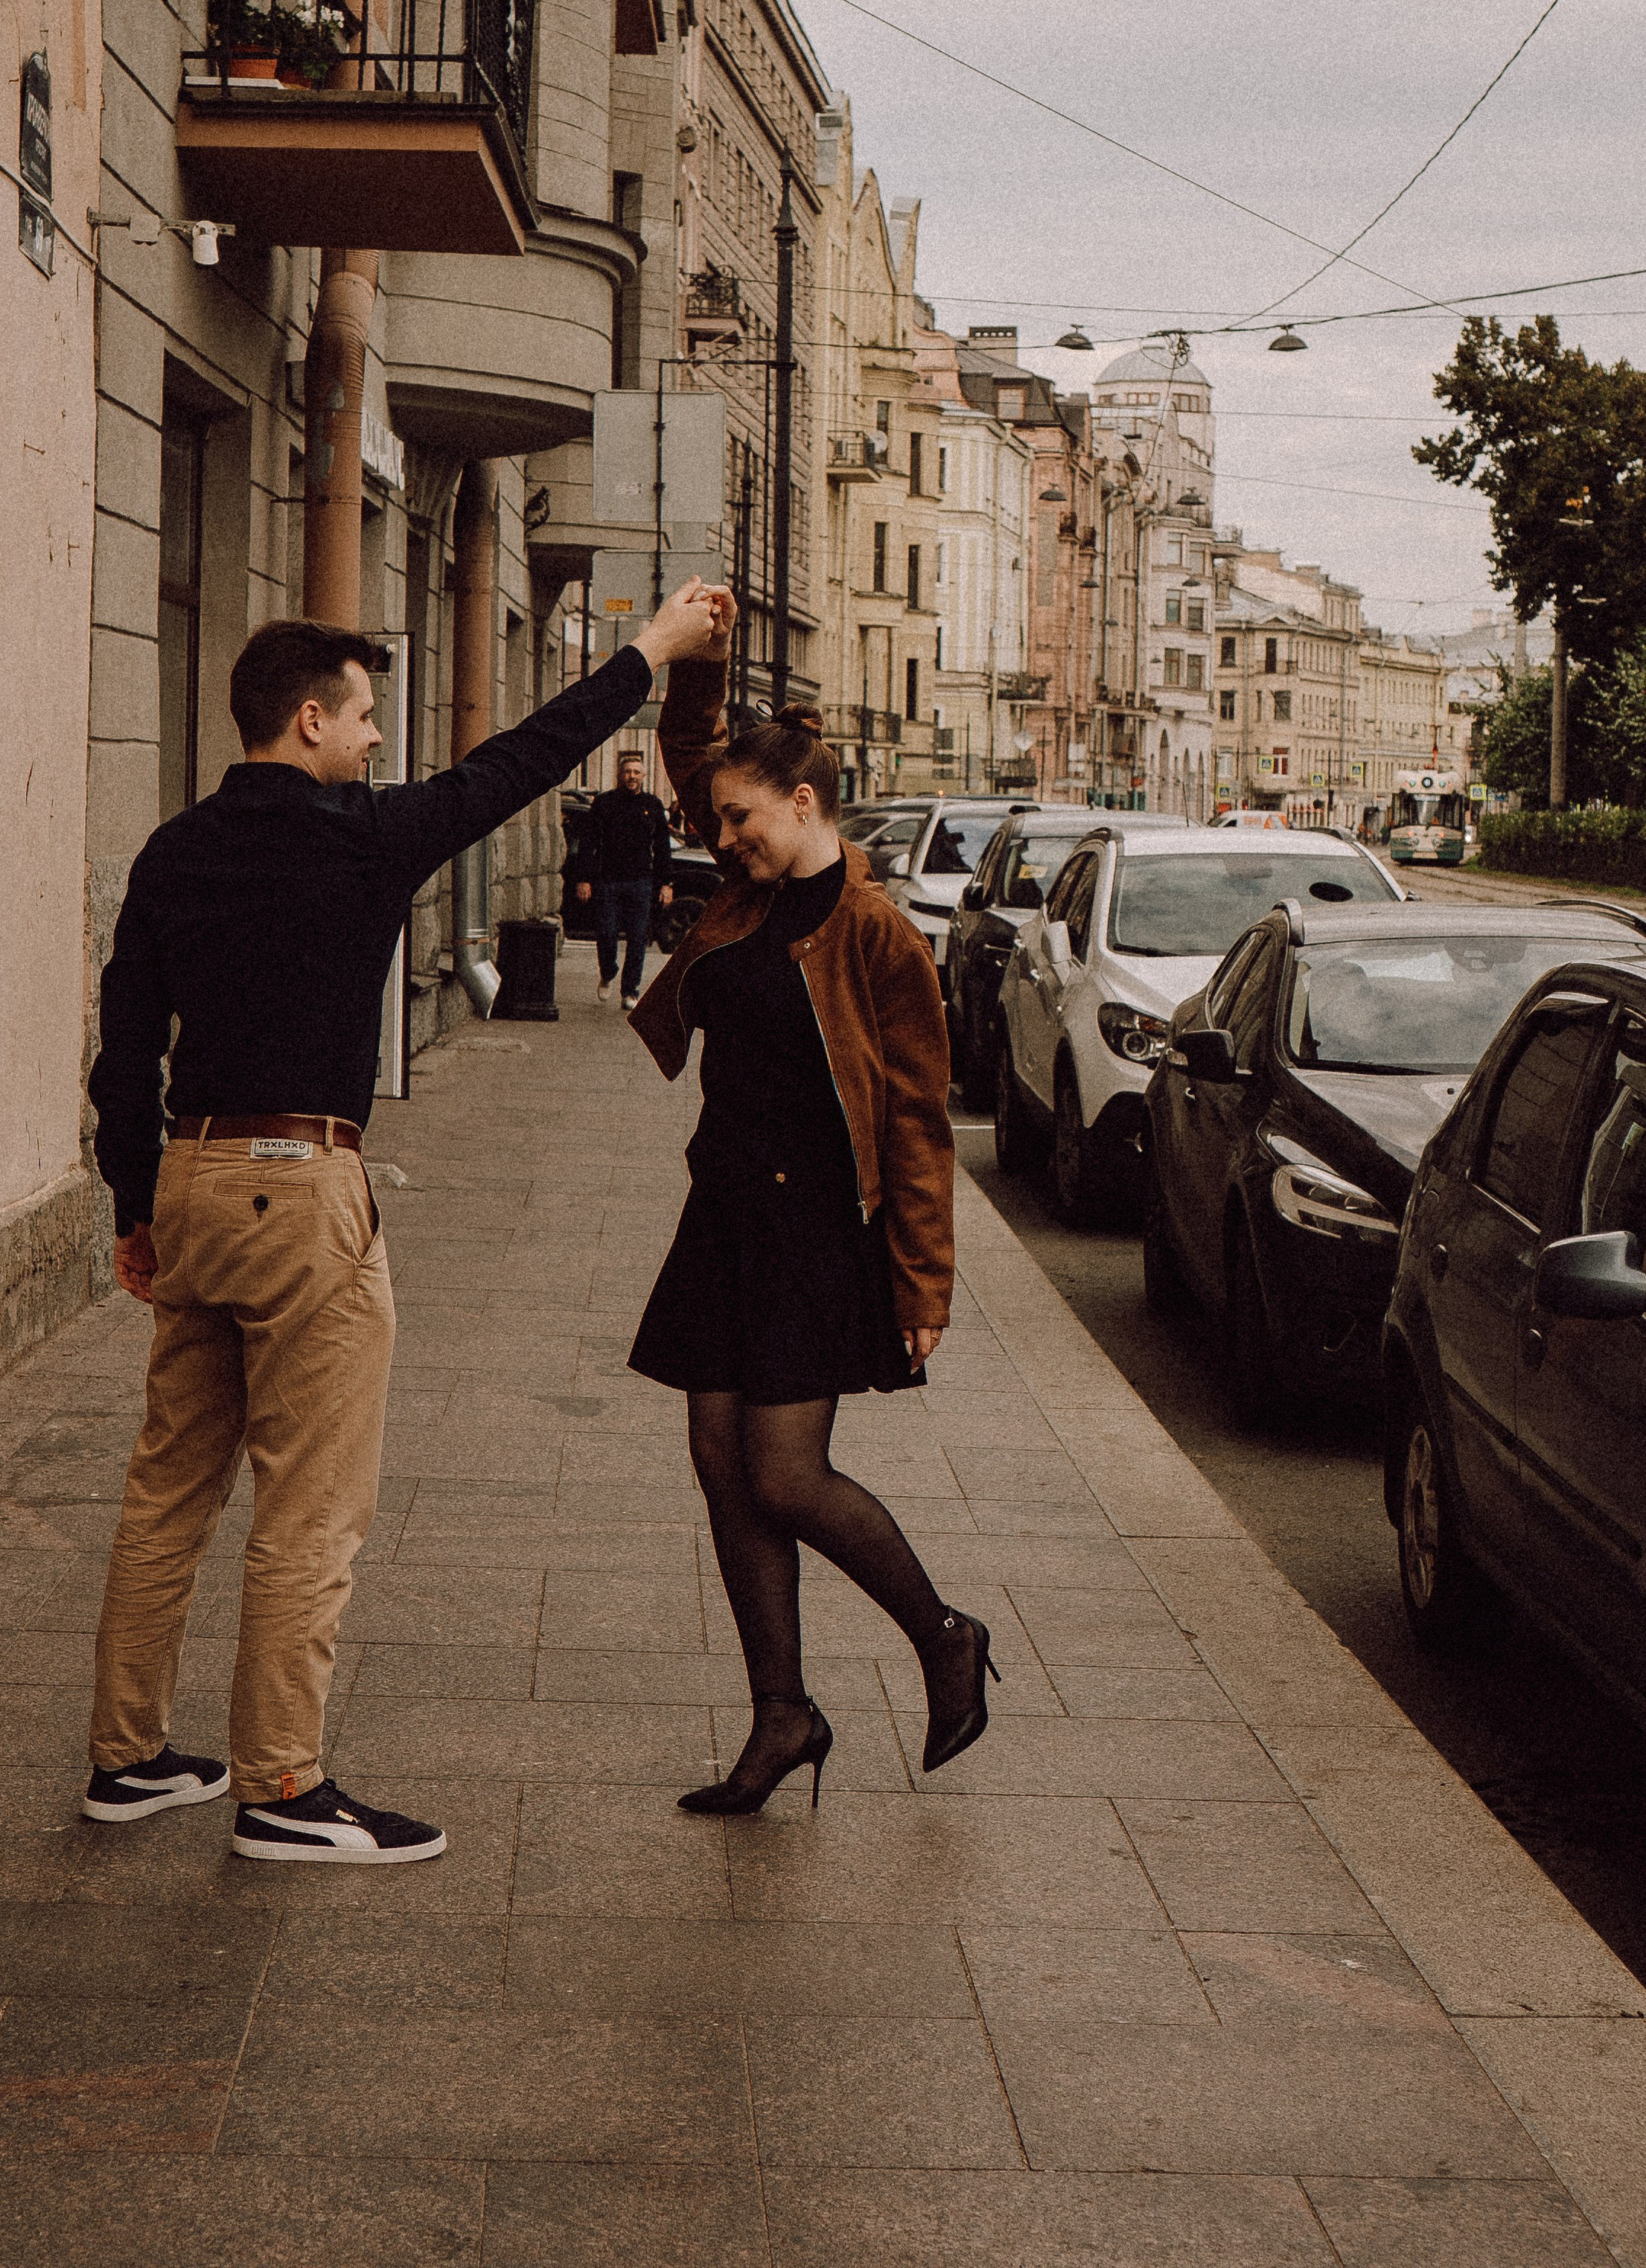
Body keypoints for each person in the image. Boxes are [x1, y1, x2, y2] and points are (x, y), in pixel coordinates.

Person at [83, 578, 728, 1864]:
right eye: (367, 717)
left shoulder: (175, 849)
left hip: (194, 1182)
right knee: (312, 1507)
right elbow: (527, 758)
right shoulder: (360, 838)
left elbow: (124, 1047)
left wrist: (136, 1204)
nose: (380, 740)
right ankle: (282, 1786)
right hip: (300, 1185)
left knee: (169, 1489)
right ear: (311, 722)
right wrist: (649, 650)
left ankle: (128, 1758)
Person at [627, 620, 996, 1812]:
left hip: (812, 1232)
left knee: (786, 1477)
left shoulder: (878, 934)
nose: (720, 837)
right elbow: (693, 748)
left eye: (742, 820)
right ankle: (782, 1713)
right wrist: (699, 654)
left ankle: (943, 1633)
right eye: (720, 822)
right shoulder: (748, 893)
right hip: (722, 1216)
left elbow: (920, 1121)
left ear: (803, 800)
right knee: (720, 1469)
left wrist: (923, 1285)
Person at [576, 748, 673, 1006]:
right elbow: (588, 843)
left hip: (641, 881)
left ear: (643, 776)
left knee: (638, 937)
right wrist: (584, 879)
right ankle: (608, 972)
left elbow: (663, 847)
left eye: (636, 773)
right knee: (607, 934)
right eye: (628, 772)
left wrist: (666, 883)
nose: (632, 776)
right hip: (608, 880)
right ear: (620, 775)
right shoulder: (604, 803)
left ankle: (630, 991)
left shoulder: (652, 806)